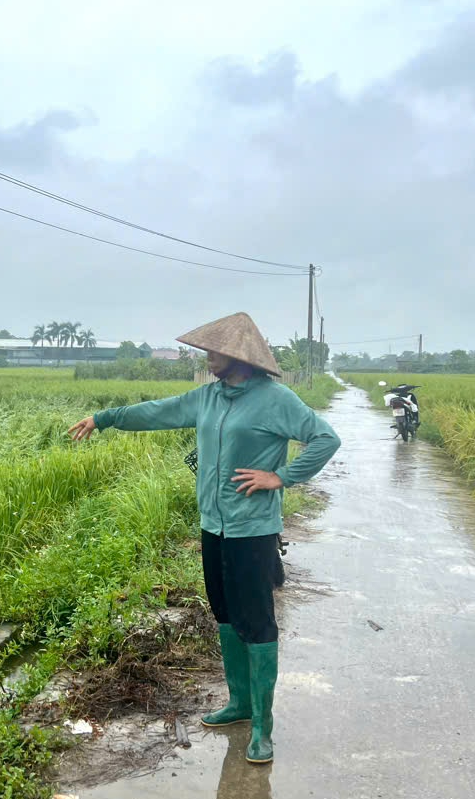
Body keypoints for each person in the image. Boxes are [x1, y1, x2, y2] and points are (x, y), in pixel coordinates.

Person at [68, 312, 341, 763]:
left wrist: (282, 477)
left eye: (212, 350)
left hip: (252, 531)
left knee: (257, 622)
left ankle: (262, 727)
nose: (206, 356)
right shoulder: (209, 397)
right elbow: (160, 411)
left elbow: (325, 438)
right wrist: (105, 418)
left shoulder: (276, 400)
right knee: (225, 615)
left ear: (236, 357)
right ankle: (238, 703)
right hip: (213, 526)